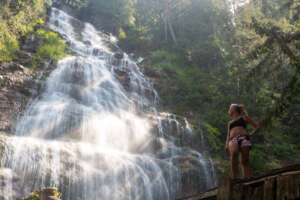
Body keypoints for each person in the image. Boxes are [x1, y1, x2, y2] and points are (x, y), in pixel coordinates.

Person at [224, 104, 260, 179]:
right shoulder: (230, 123)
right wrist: (226, 144)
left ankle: (247, 178)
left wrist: (251, 134)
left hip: (244, 138)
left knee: (245, 160)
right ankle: (235, 178)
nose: (229, 110)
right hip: (232, 139)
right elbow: (228, 134)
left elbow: (257, 126)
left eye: (230, 108)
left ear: (234, 109)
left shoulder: (244, 117)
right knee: (234, 153)